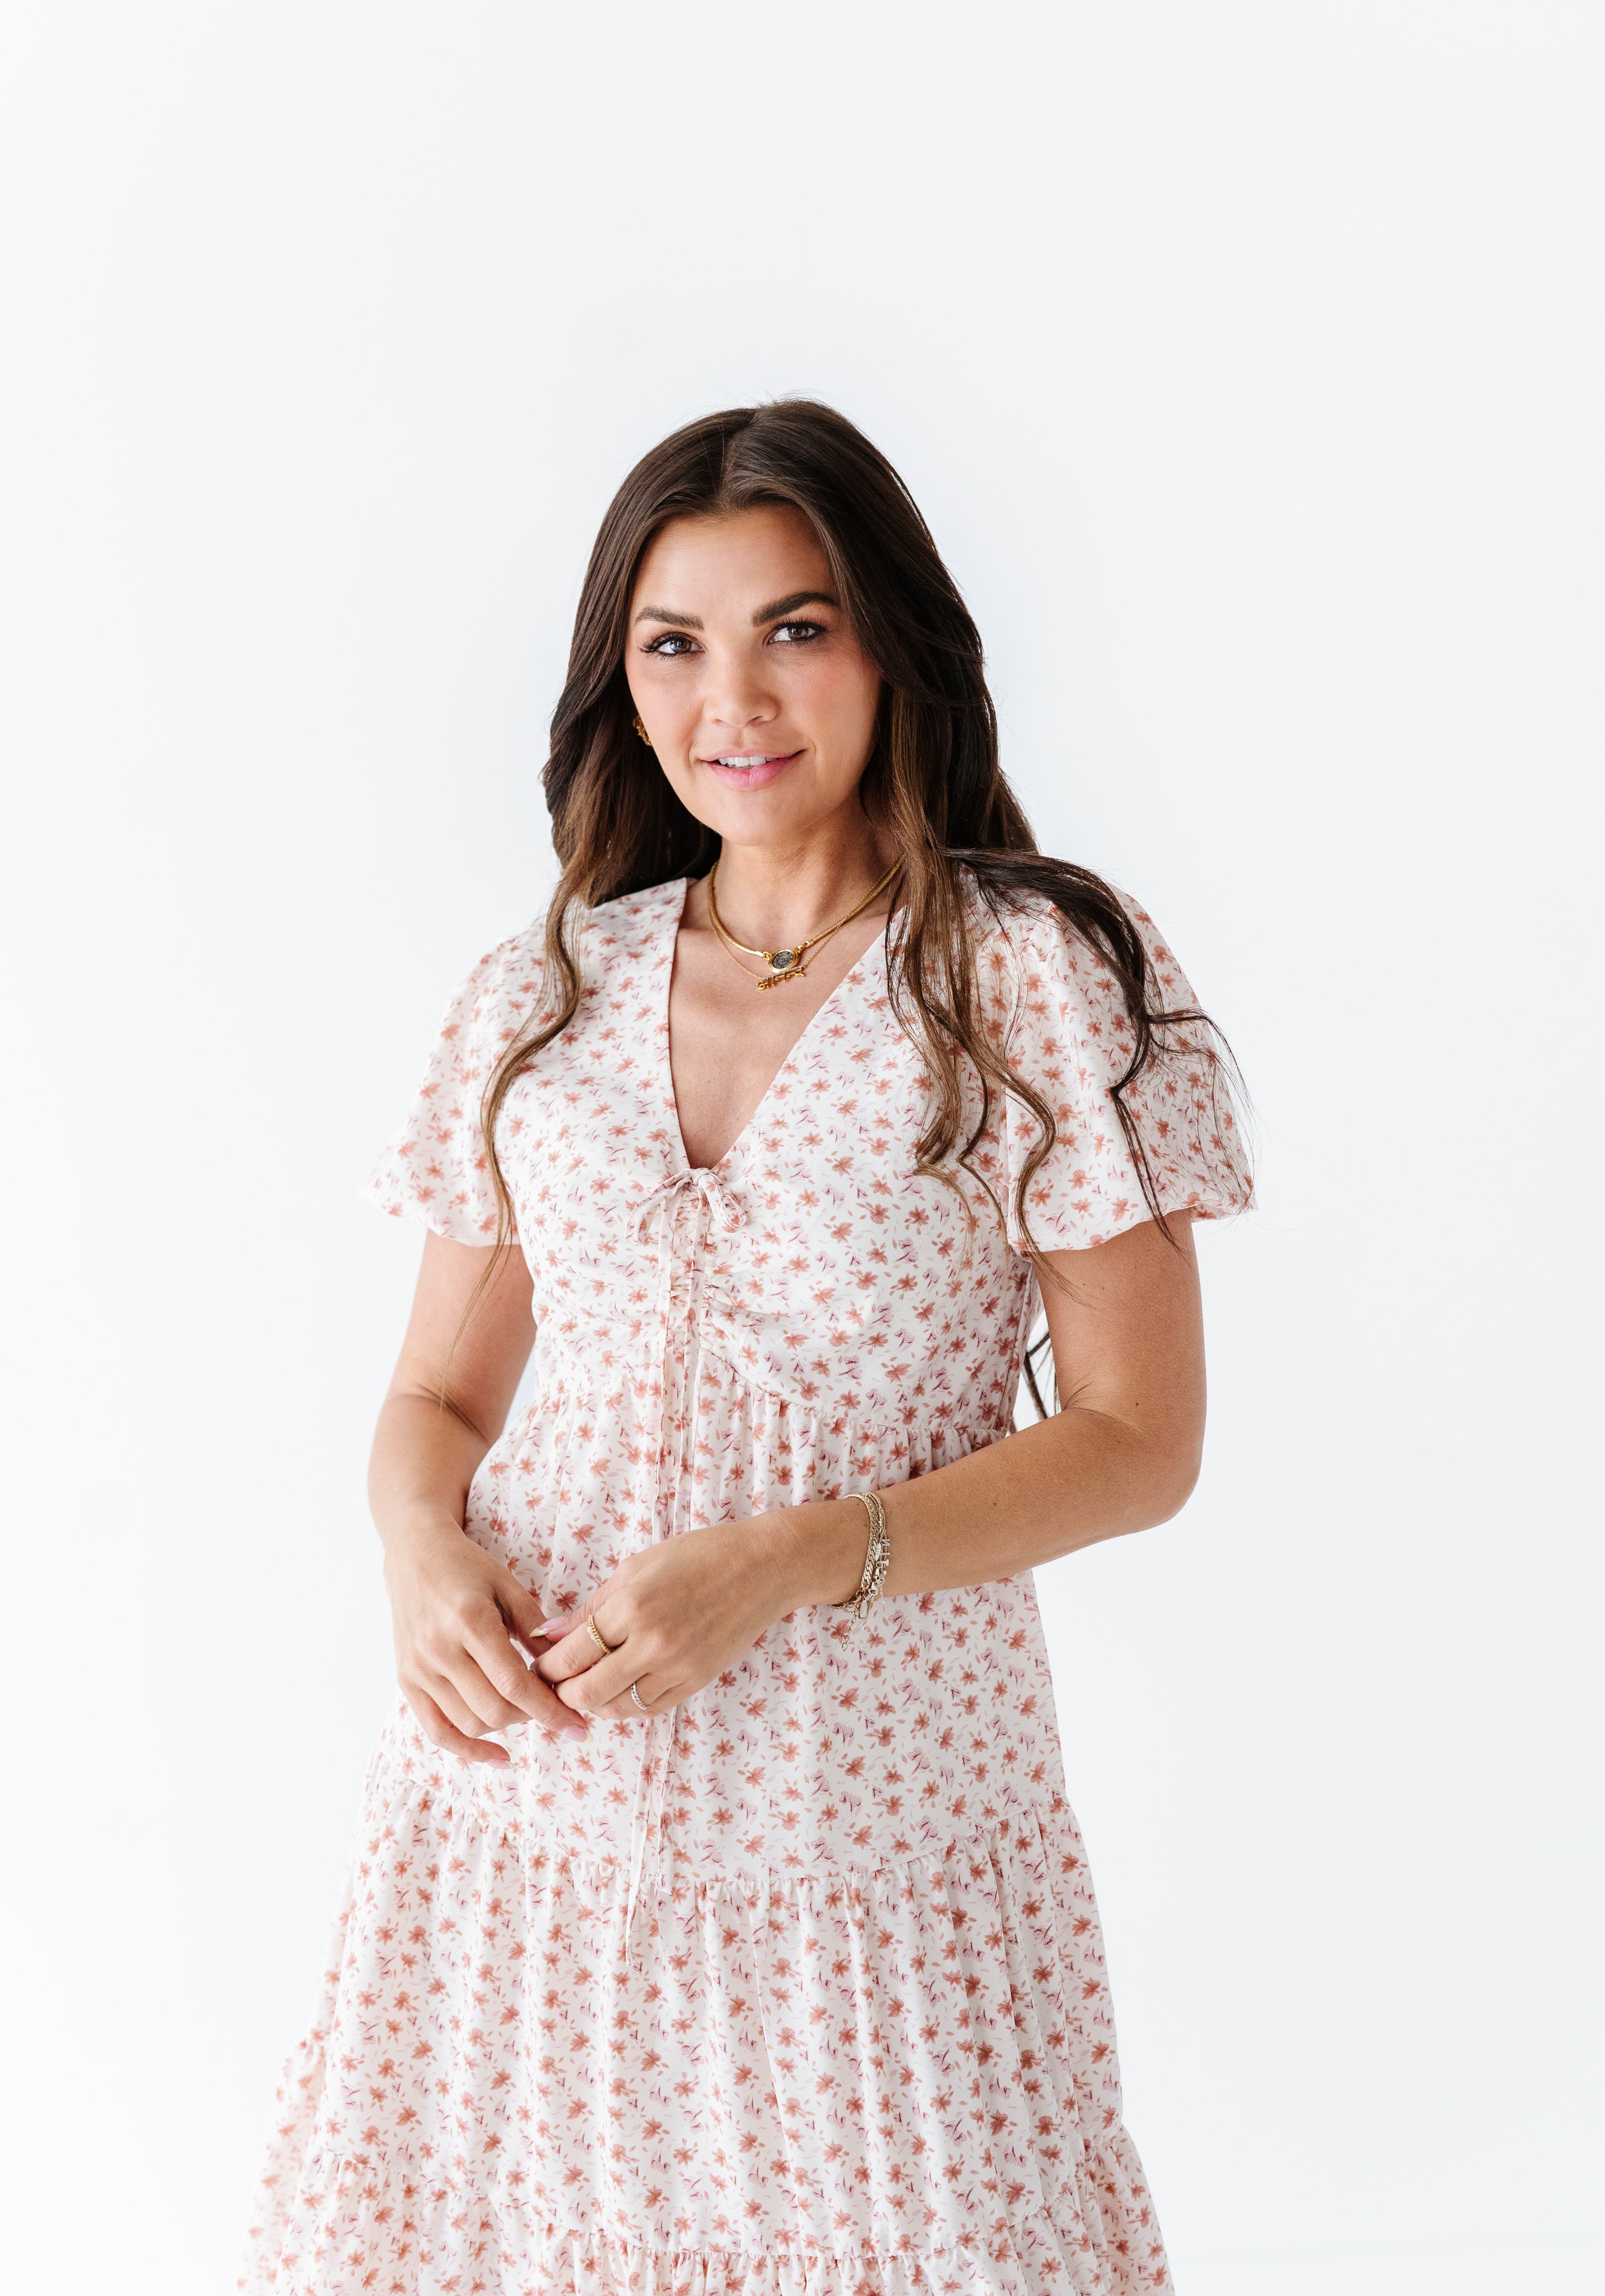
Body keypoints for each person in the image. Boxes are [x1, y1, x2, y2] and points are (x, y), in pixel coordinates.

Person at [241, 400, 1251, 2296]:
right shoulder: (546, 991)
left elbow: (1140, 1438)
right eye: (673, 643)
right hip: (528, 1819)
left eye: (795, 627)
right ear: (619, 687)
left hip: (870, 1831)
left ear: (893, 647)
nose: (735, 698)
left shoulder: (1031, 976)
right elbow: (435, 1398)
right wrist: (419, 1548)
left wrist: (785, 1562)